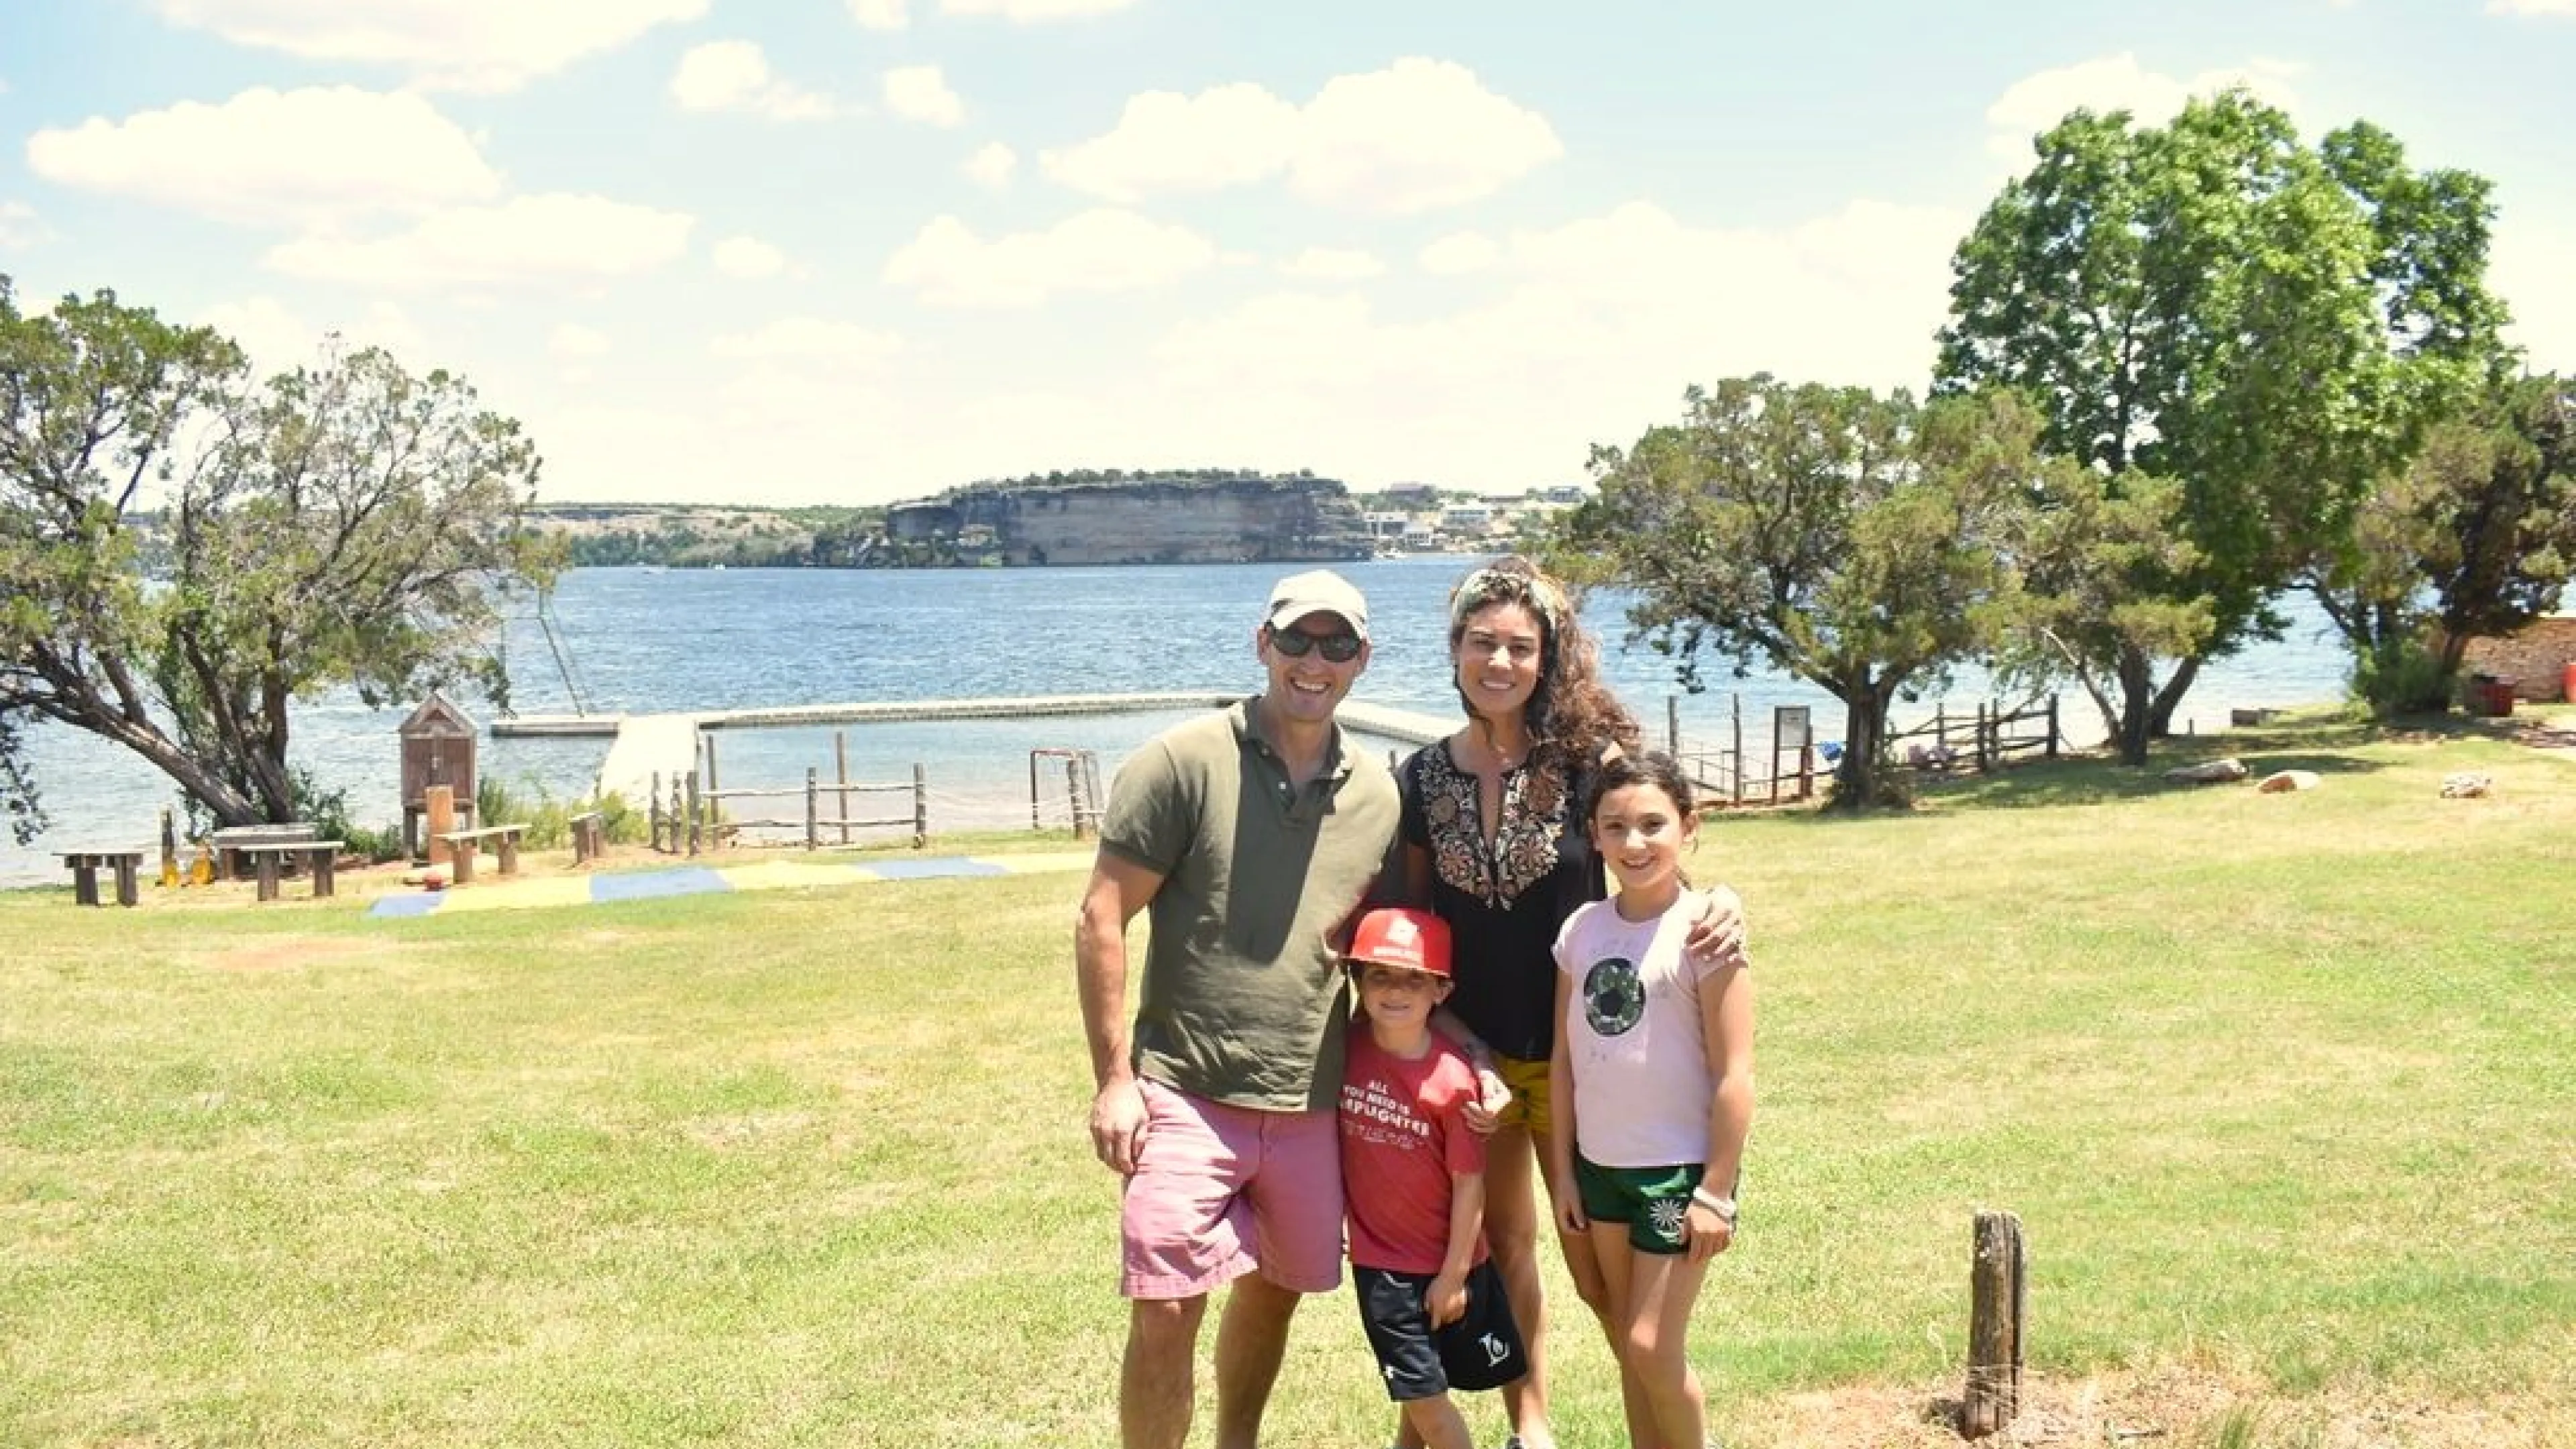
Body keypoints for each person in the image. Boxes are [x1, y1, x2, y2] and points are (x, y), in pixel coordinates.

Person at [1392, 556, 1741, 1449]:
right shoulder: (1424, 778)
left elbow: (1653, 846)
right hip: (1480, 1051)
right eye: (1482, 644)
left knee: (1625, 1304)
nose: (1499, 662)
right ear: (1456, 651)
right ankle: (1531, 1426)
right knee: (1514, 1247)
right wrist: (1448, 1041)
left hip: (1595, 1078)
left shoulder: (1592, 764)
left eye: (1520, 646)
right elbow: (1421, 918)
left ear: (1549, 659)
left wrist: (1721, 903)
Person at [1075, 568, 1399, 1449]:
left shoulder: (1379, 796)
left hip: (1308, 1103)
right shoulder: (1182, 763)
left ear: (1361, 660)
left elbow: (1392, 950)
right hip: (1183, 1090)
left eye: (1337, 646)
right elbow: (1103, 914)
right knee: (1167, 1305)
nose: (1313, 661)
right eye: (1297, 639)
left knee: (1279, 1286)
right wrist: (1115, 1082)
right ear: (1264, 643)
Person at [1547, 752, 1755, 1449]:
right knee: (1625, 1345)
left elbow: (1735, 1073)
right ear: (1593, 836)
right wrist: (1565, 1173)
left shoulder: (1708, 933)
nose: (1634, 844)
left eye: (1652, 824)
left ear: (1689, 827)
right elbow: (1564, 1061)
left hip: (1675, 1173)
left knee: (1650, 1346)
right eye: (1615, 827)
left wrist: (1716, 1192)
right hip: (1601, 1170)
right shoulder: (1580, 931)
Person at [1338, 906, 1529, 1449]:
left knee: (1429, 1406)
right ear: (1358, 981)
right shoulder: (1346, 1054)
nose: (1395, 991)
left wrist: (1452, 1276)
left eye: (1414, 979)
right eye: (1379, 974)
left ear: (1442, 991)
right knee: (1419, 1400)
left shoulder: (1453, 1082)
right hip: (1382, 1270)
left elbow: (1471, 1183)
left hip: (1449, 1265)